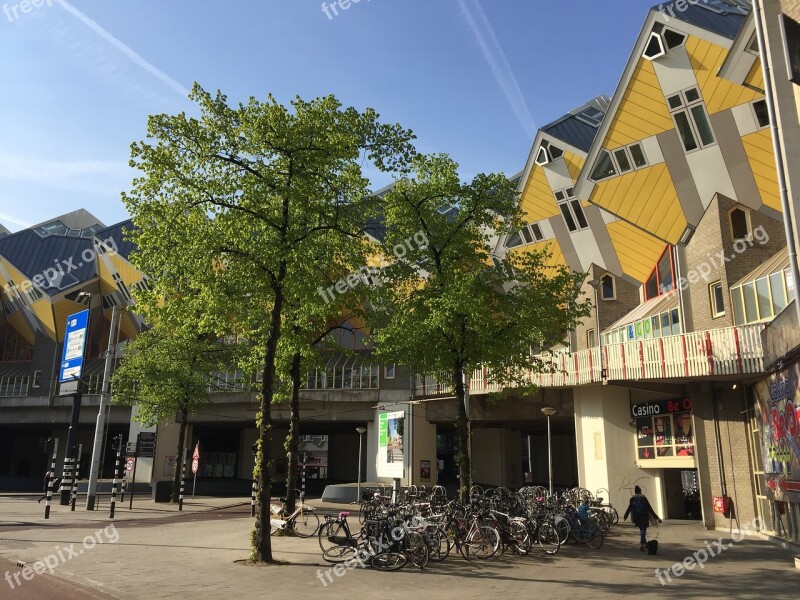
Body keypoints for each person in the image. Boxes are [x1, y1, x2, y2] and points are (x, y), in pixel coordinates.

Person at [623, 485, 662, 551]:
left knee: (642, 530)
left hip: (636, 516)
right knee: (643, 530)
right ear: (640, 491)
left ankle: (644, 544)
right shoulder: (644, 498)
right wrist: (657, 518)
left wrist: (625, 516)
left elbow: (629, 508)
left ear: (635, 492)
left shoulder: (632, 499)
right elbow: (650, 508)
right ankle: (642, 544)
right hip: (644, 516)